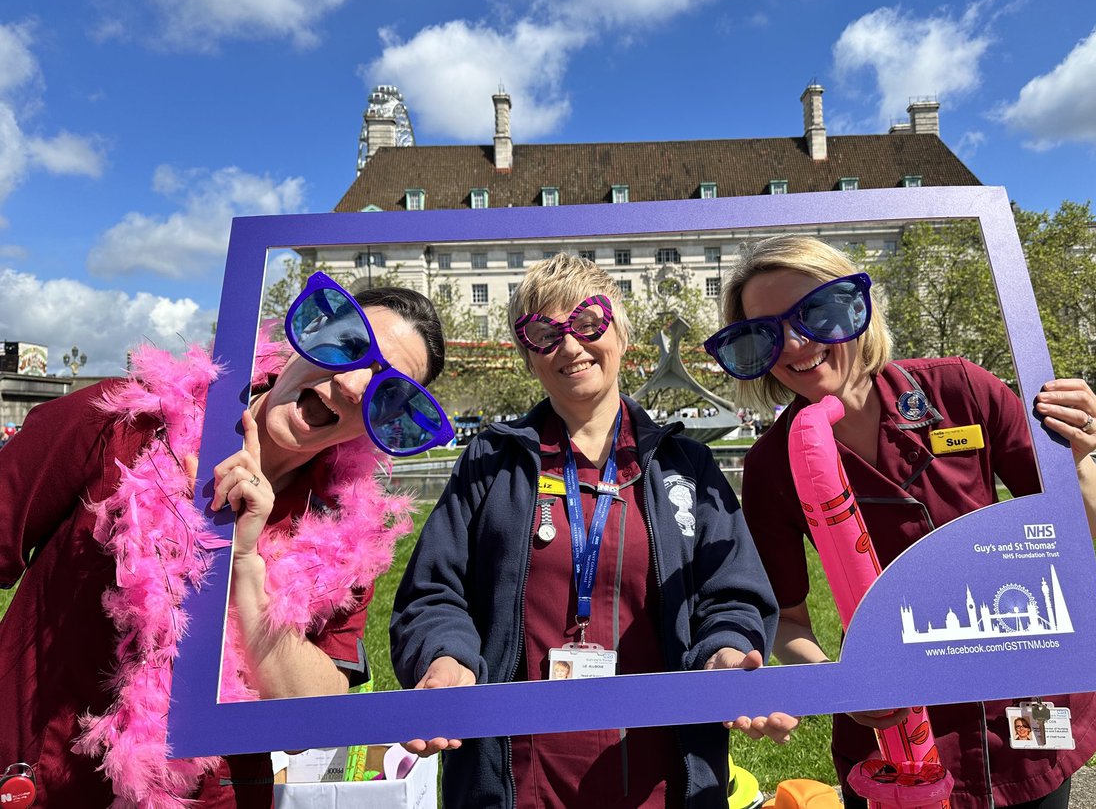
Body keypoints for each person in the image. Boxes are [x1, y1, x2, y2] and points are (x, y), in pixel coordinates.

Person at [0, 273, 451, 807]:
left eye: (388, 392)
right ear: (306, 336)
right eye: (350, 346)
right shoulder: (125, 423)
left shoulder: (349, 535)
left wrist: (245, 564)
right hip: (38, 780)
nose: (354, 386)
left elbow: (312, 713)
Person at [704, 235, 1096, 809]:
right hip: (896, 727)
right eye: (766, 332)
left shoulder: (962, 390)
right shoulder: (773, 462)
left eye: (817, 313)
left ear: (858, 309)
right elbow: (787, 621)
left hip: (1019, 690)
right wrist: (845, 685)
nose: (797, 344)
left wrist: (1076, 455)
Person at [391, 253, 779, 809]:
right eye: (544, 334)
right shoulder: (492, 461)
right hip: (518, 774)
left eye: (588, 323)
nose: (570, 347)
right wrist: (445, 657)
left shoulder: (684, 464)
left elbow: (732, 592)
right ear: (528, 356)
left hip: (659, 773)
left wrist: (725, 650)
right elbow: (434, 592)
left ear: (620, 332)